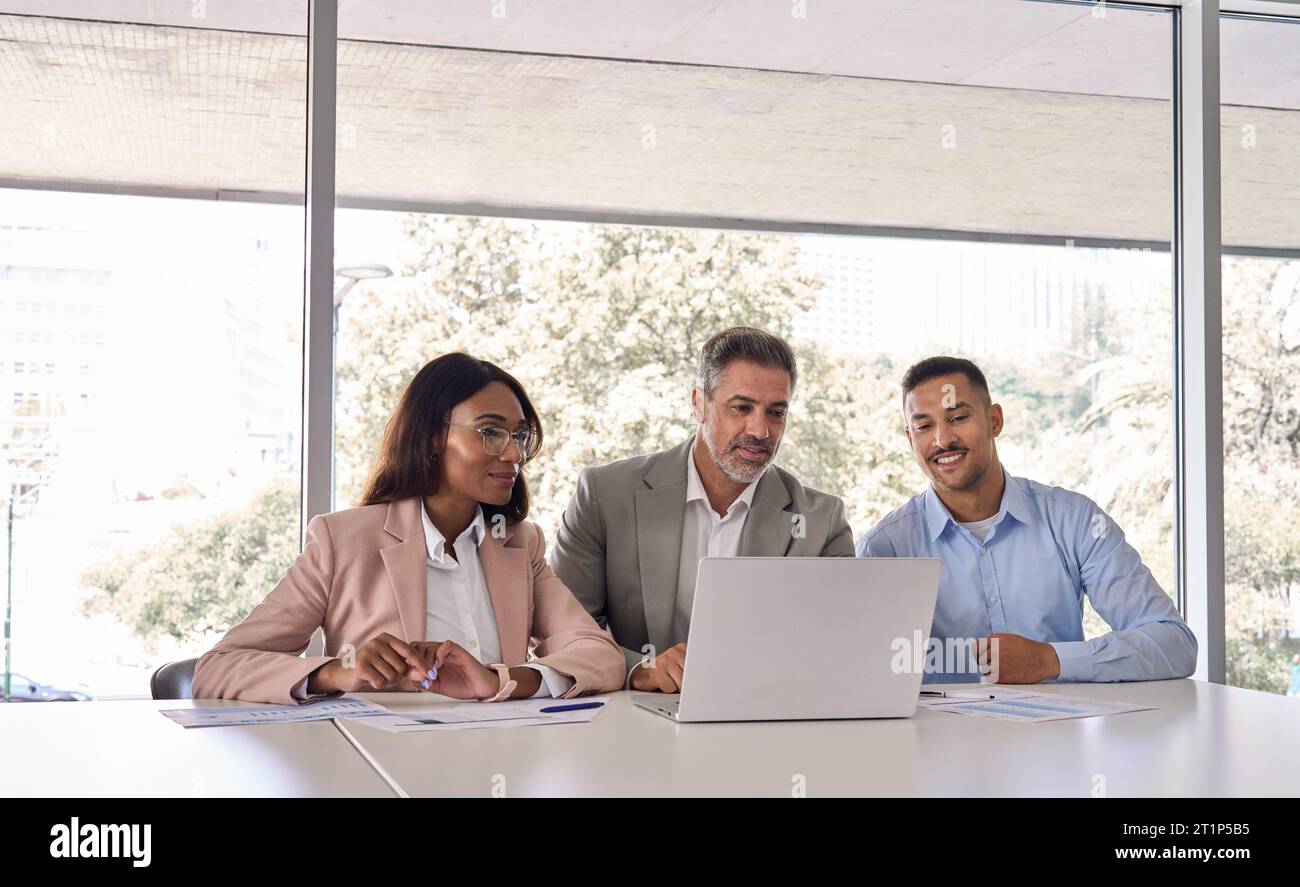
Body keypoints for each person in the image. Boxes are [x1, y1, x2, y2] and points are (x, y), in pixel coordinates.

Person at [193, 353, 626, 704]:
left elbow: (599, 657)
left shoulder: (519, 544)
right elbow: (219, 668)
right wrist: (338, 671)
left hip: (504, 759)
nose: (514, 453)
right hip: (380, 767)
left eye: (519, 435)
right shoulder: (341, 541)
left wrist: (501, 681)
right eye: (491, 432)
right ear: (433, 437)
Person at [550, 326, 854, 693]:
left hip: (766, 717)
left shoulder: (822, 521)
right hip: (634, 721)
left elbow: (834, 646)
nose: (760, 430)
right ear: (699, 403)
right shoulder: (604, 494)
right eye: (741, 408)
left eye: (776, 413)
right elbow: (562, 630)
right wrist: (639, 669)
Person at [857, 355, 1197, 684]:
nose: (943, 440)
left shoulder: (1074, 521)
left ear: (994, 421)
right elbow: (856, 671)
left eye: (958, 418)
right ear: (909, 439)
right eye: (924, 426)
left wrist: (1050, 660)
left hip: (1060, 740)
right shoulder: (885, 548)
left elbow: (1174, 644)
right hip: (934, 741)